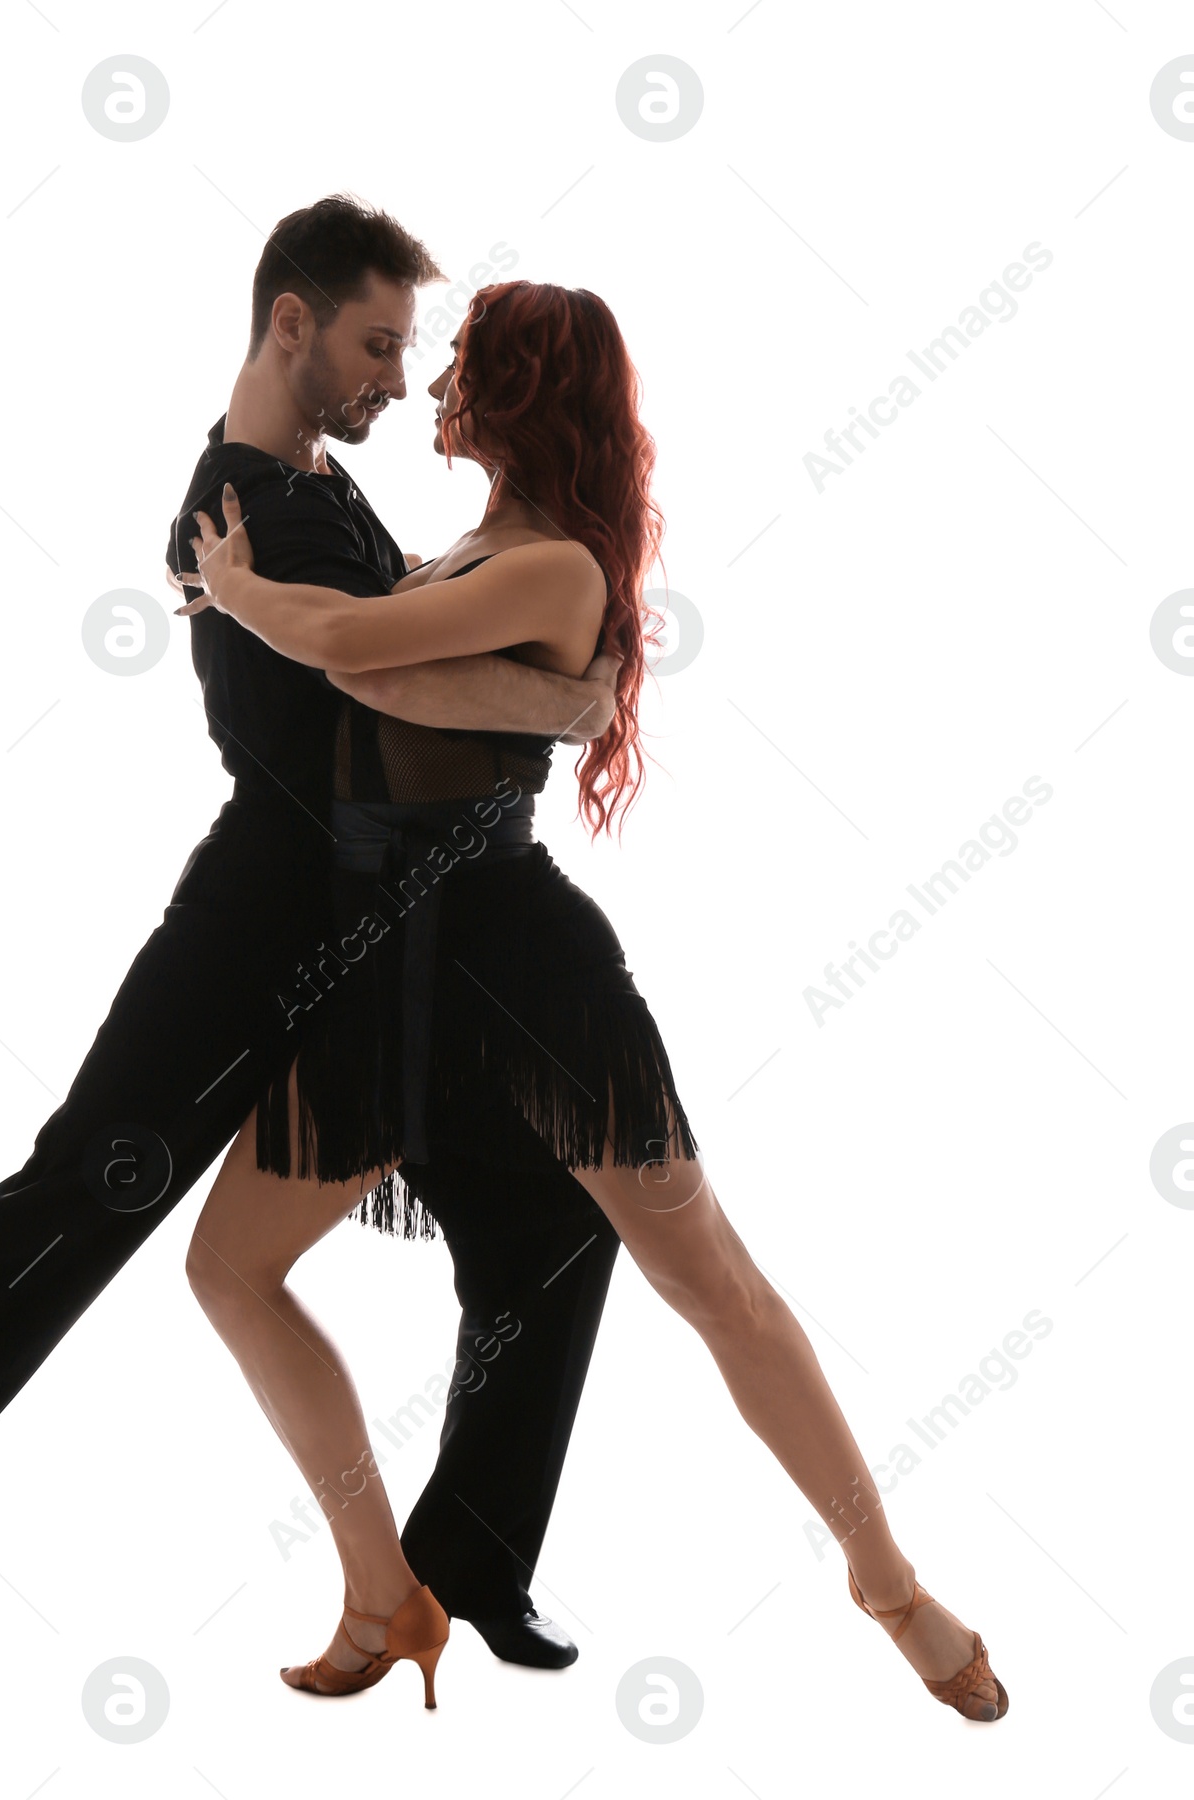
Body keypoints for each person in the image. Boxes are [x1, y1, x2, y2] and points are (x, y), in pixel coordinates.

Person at [0, 197, 632, 1676]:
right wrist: (556, 706)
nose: (401, 374)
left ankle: (454, 1575)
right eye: (379, 342)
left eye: (408, 348)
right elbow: (368, 706)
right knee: (71, 1207)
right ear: (290, 322)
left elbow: (391, 672)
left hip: (394, 928)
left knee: (552, 1227)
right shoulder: (236, 510)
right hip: (261, 921)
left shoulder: (321, 489)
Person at [175, 278, 1010, 1723]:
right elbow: (396, 692)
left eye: (465, 370)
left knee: (716, 1286)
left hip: (516, 959)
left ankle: (891, 1582)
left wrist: (241, 594)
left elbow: (364, 658)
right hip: (384, 952)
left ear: (515, 397)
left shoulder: (555, 564)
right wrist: (541, 703)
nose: (434, 387)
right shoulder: (468, 547)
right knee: (228, 1264)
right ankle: (389, 1589)